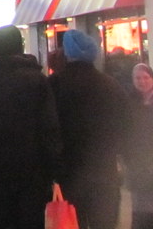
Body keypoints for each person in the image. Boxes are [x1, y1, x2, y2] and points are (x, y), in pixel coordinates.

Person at [0, 25, 61, 229]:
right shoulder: (36, 79)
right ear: (20, 46)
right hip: (33, 165)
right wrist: (55, 168)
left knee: (1, 218)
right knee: (30, 219)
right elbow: (49, 126)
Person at [49, 29, 128, 229]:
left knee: (73, 222)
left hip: (69, 172)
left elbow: (49, 128)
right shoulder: (110, 85)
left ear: (67, 53)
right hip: (104, 170)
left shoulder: (55, 85)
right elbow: (125, 125)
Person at [124, 63, 153, 229]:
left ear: (152, 78)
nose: (142, 81)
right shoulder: (129, 102)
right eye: (137, 78)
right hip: (139, 166)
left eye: (145, 77)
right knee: (142, 213)